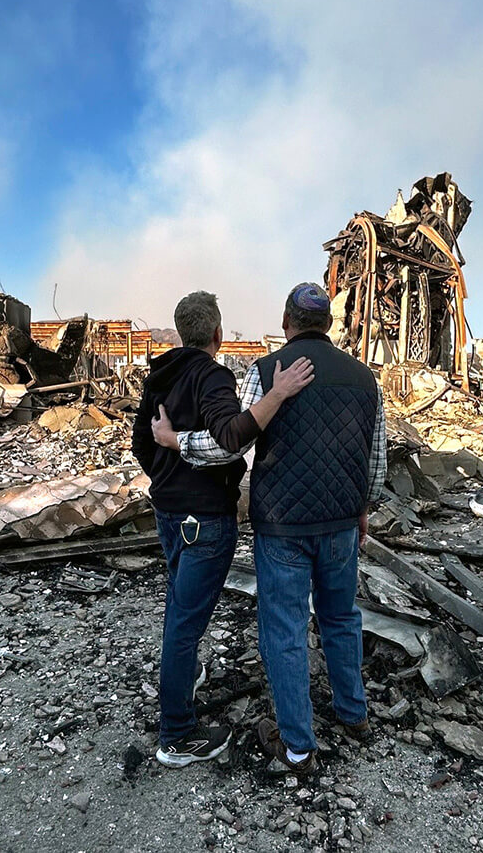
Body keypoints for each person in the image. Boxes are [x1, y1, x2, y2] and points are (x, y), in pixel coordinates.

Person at [153, 282, 386, 773]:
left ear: (286, 323)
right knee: (341, 616)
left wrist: (176, 441)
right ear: (327, 324)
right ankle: (352, 713)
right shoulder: (365, 378)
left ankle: (298, 747)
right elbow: (376, 460)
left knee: (284, 628)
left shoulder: (265, 372)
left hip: (282, 524)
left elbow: (231, 445)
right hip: (343, 523)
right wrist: (362, 505)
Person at [132, 290, 315, 768]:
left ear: (180, 331)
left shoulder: (160, 374)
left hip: (169, 512)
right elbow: (231, 439)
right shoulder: (212, 375)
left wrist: (168, 481)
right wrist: (276, 394)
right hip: (205, 519)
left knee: (178, 608)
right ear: (217, 333)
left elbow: (141, 445)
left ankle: (182, 678)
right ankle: (176, 735)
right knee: (185, 624)